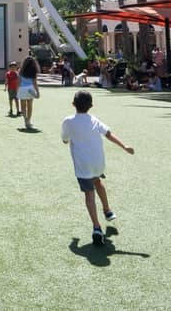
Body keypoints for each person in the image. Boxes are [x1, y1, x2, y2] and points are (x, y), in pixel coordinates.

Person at [61, 90, 134, 246]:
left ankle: (97, 227)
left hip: (82, 166)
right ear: (91, 106)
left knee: (89, 195)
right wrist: (124, 146)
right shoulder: (94, 119)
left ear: (73, 104)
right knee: (98, 181)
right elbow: (108, 134)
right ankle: (107, 210)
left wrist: (75, 242)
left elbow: (65, 140)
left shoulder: (68, 121)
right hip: (98, 163)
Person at [17, 56, 40, 130]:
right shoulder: (34, 71)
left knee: (23, 106)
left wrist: (18, 91)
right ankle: (28, 121)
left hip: (22, 89)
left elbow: (19, 82)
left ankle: (25, 120)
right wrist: (38, 92)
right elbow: (35, 83)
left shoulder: (20, 71)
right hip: (30, 89)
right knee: (29, 106)